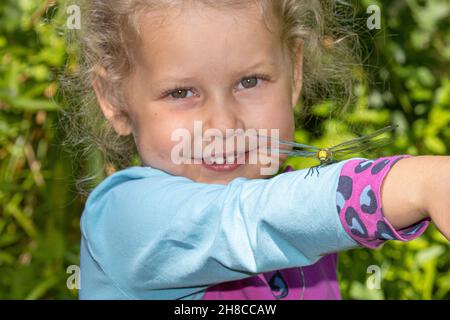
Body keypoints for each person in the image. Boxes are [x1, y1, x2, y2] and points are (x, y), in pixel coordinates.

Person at [63, 0, 450, 299]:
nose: (224, 125)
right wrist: (413, 184)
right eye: (181, 92)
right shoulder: (123, 220)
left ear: (294, 73)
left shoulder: (301, 212)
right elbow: (245, 221)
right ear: (114, 98)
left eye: (250, 81)